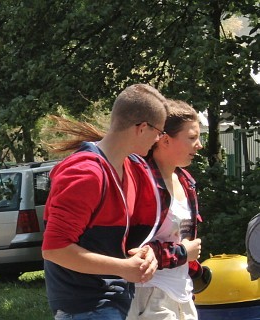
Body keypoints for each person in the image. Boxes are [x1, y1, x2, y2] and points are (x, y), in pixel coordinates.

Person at [42, 84, 167, 319]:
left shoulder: (133, 168)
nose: (159, 139)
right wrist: (123, 268)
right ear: (142, 128)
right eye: (159, 131)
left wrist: (146, 253)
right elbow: (54, 249)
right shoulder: (86, 173)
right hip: (86, 308)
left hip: (114, 303)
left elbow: (119, 242)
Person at [126, 100, 203, 319]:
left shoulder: (186, 180)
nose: (199, 145)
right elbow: (130, 248)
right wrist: (181, 253)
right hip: (148, 296)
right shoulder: (140, 181)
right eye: (191, 138)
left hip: (183, 294)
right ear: (166, 140)